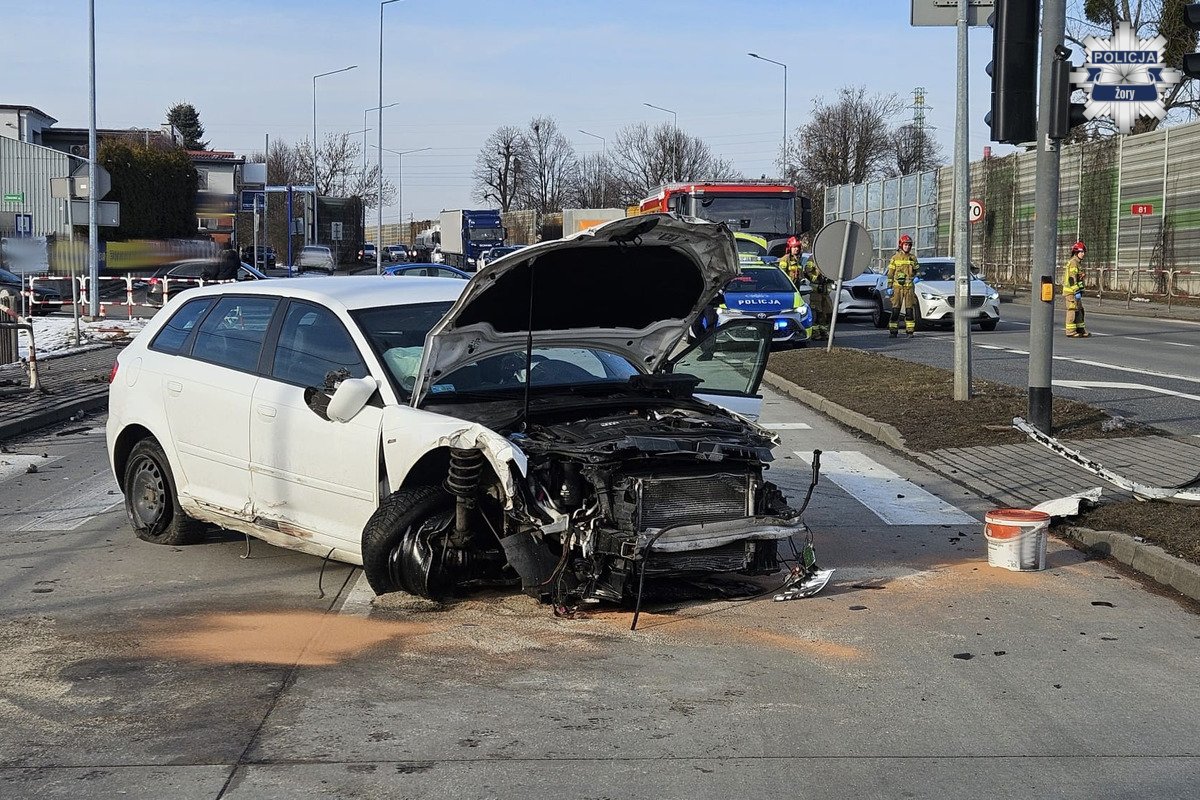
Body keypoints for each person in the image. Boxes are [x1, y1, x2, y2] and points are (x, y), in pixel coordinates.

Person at [886, 233, 919, 338]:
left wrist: (917, 277)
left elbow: (917, 270)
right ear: (901, 245)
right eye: (905, 245)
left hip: (909, 288)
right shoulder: (895, 258)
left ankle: (910, 332)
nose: (907, 247)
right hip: (897, 288)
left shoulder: (913, 258)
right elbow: (890, 274)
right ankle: (893, 331)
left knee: (909, 311)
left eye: (909, 245)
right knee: (896, 310)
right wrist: (889, 286)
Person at [803, 240, 833, 340]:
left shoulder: (829, 259)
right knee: (817, 312)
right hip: (816, 291)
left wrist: (829, 279)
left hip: (826, 291)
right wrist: (817, 279)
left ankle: (824, 332)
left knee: (828, 311)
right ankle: (815, 333)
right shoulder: (813, 258)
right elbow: (807, 272)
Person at [1063, 240, 1090, 338]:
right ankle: (1070, 331)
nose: (1083, 254)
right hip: (1071, 292)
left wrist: (1081, 288)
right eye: (1081, 252)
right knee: (1072, 310)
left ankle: (1080, 330)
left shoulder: (1077, 263)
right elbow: (1071, 279)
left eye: (1084, 252)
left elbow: (1078, 278)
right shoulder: (1073, 263)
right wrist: (1076, 290)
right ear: (1076, 252)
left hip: (1076, 292)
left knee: (1080, 310)